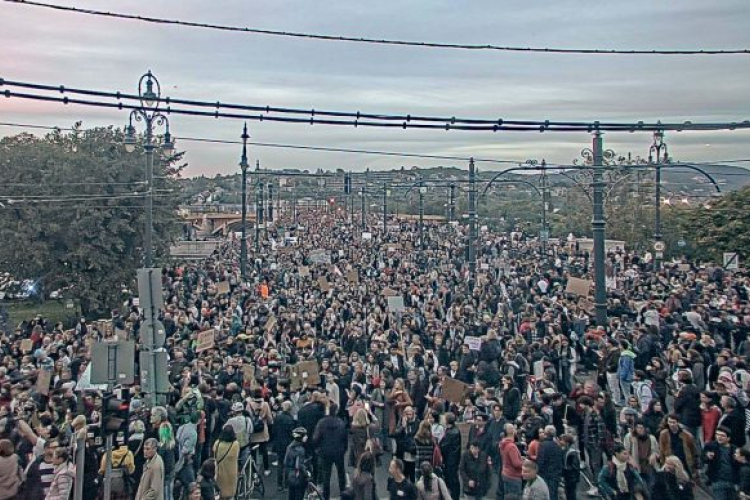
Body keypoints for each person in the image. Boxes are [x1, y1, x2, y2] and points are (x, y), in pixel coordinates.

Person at [313, 404, 348, 500]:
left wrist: (318, 449)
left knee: (326, 477)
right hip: (338, 452)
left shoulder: (321, 423)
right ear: (336, 411)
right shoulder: (341, 423)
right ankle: (343, 494)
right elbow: (345, 439)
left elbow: (315, 438)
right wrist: (344, 450)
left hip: (325, 452)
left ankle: (326, 497)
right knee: (341, 474)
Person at [658, 415, 698, 480]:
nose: (672, 424)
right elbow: (662, 450)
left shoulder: (687, 435)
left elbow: (693, 450)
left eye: (674, 422)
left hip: (684, 462)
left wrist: (695, 465)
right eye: (670, 422)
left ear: (677, 422)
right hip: (671, 463)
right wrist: (663, 463)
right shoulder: (664, 434)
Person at [703, 426, 739, 500]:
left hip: (732, 482)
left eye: (722, 435)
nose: (719, 437)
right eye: (717, 434)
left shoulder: (734, 449)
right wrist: (707, 457)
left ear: (728, 438)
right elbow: (703, 458)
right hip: (718, 481)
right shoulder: (711, 446)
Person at [273, 400, 296, 491]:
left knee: (280, 464)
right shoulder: (290, 419)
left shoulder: (278, 418)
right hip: (288, 443)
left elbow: (274, 430)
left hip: (279, 443)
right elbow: (292, 433)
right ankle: (286, 484)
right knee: (287, 465)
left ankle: (279, 484)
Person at [535, 426, 563, 500]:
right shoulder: (557, 446)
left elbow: (540, 461)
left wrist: (537, 472)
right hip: (555, 475)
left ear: (546, 433)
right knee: (554, 495)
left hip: (545, 475)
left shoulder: (543, 445)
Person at [213, 425, 239, 500]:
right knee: (230, 493)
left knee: (220, 491)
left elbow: (214, 454)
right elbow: (236, 455)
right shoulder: (235, 444)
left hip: (219, 470)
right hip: (231, 471)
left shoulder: (217, 443)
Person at [440, 412, 462, 500]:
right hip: (452, 459)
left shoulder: (451, 432)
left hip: (450, 461)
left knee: (452, 480)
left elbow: (443, 446)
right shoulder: (454, 430)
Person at [284, 427, 309, 500]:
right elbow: (299, 466)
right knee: (299, 496)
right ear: (300, 437)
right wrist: (307, 474)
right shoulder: (301, 450)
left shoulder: (289, 446)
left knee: (291, 495)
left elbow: (285, 461)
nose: (307, 437)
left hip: (290, 475)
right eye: (305, 435)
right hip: (298, 477)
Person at [500, 423, 524, 498]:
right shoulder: (511, 446)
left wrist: (520, 457)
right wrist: (524, 463)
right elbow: (516, 464)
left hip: (506, 473)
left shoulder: (503, 443)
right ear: (511, 431)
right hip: (513, 476)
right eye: (514, 428)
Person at [559, 434, 580, 500]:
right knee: (568, 493)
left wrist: (565, 470)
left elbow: (575, 467)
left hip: (571, 478)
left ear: (567, 443)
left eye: (562, 440)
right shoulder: (564, 451)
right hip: (567, 477)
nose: (560, 442)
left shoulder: (572, 453)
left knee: (571, 494)